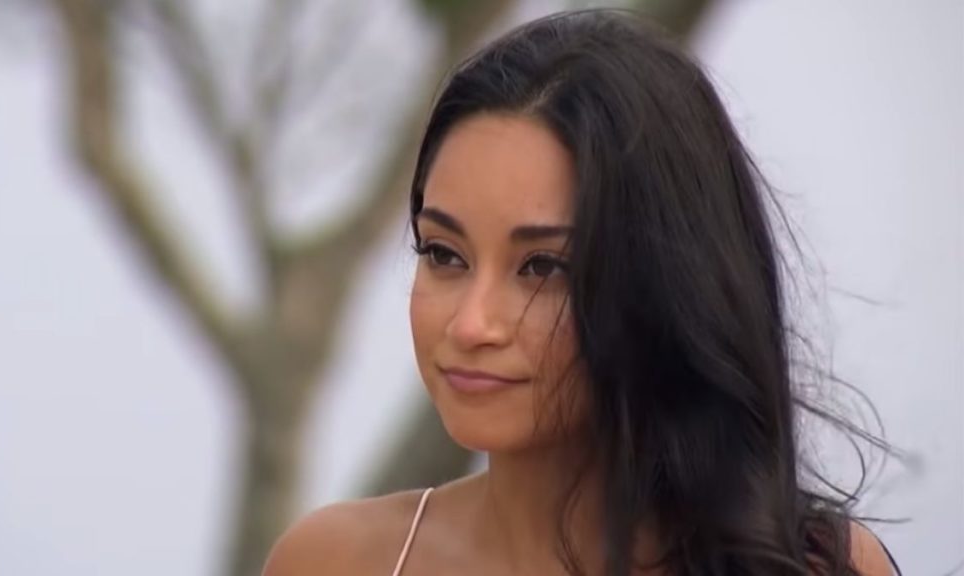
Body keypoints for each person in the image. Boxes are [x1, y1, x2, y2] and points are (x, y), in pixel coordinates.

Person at [263, 9, 899, 576]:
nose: (471, 324)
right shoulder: (333, 562)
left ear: (664, 282)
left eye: (541, 267)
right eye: (444, 255)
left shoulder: (815, 567)